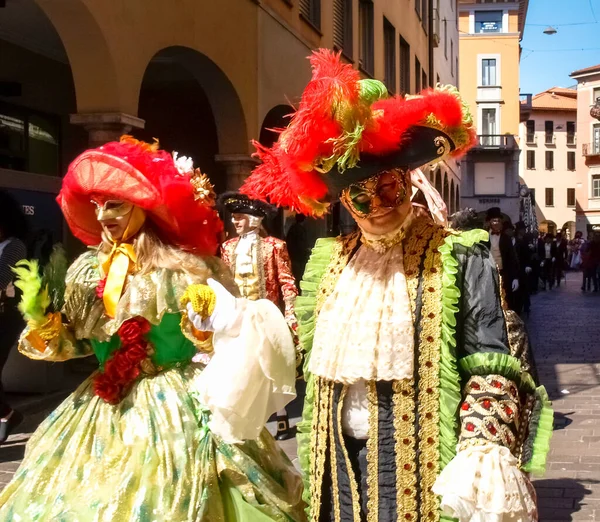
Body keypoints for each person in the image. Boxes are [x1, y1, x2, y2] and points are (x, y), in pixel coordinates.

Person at [241, 50, 551, 522]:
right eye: (360, 196)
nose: (378, 204)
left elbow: (491, 355)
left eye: (389, 187)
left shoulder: (458, 253)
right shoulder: (331, 261)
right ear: (345, 201)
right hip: (337, 455)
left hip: (420, 456)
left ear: (408, 181)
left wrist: (483, 446)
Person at [0, 137, 305, 521]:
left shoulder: (188, 270)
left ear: (146, 208)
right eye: (96, 206)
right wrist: (45, 326)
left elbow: (223, 339)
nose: (103, 216)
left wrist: (208, 326)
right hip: (101, 405)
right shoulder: (86, 271)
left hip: (177, 402)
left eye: (115, 204)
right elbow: (76, 344)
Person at [219, 191, 299, 440]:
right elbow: (225, 283)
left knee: (270, 366)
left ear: (254, 219)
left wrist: (291, 313)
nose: (235, 222)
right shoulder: (227, 248)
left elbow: (286, 282)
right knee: (241, 367)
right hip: (238, 316)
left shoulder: (274, 247)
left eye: (240, 217)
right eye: (234, 217)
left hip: (266, 315)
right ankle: (248, 419)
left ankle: (282, 418)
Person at [0, 191, 28, 443]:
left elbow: (0, 279)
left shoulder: (14, 246)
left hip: (5, 318)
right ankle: (6, 414)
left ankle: (7, 414)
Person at [486, 208, 521, 312]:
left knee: (505, 299)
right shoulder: (484, 237)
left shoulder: (506, 238)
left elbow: (512, 258)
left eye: (498, 220)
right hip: (488, 273)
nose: (496, 223)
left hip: (504, 273)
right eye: (494, 220)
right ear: (489, 222)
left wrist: (515, 277)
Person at [286, 214, 311, 286]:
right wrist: (306, 250)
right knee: (299, 274)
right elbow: (301, 244)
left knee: (295, 274)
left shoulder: (292, 228)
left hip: (293, 255)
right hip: (298, 256)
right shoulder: (299, 229)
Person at [514, 221, 533, 317]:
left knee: (525, 286)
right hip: (516, 266)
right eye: (522, 229)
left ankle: (526, 305)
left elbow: (527, 254)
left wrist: (528, 265)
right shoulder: (515, 239)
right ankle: (519, 305)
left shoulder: (525, 239)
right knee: (519, 287)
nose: (524, 231)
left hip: (523, 266)